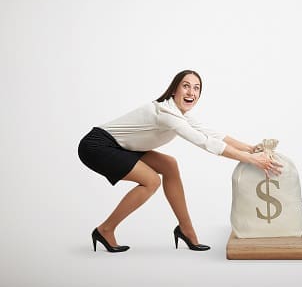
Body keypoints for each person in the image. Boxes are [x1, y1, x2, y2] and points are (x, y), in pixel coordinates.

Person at [78, 70, 282, 253]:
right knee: (151, 181)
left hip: (120, 146)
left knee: (169, 165)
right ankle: (105, 230)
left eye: (197, 88)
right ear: (174, 89)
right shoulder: (167, 114)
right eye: (186, 86)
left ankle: (186, 229)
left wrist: (250, 148)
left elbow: (213, 134)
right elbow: (205, 142)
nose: (191, 92)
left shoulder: (180, 113)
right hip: (97, 146)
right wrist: (251, 159)